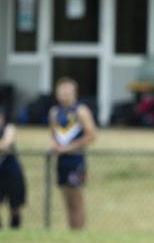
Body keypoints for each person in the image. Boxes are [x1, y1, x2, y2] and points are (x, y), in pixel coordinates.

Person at [49, 77, 97, 230]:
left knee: (76, 199)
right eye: (62, 91)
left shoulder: (81, 111)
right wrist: (55, 146)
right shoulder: (54, 112)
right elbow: (54, 135)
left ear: (75, 93)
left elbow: (91, 136)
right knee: (66, 198)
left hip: (76, 160)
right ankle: (71, 232)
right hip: (61, 161)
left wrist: (68, 148)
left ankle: (79, 233)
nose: (64, 94)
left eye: (68, 91)